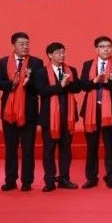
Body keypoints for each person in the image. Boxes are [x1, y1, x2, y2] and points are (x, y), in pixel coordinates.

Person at [0, 31, 44, 192]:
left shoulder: (36, 62)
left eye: (27, 44)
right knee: (11, 147)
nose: (25, 47)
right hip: (9, 111)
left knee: (28, 148)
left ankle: (27, 181)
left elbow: (40, 86)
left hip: (29, 111)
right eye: (21, 44)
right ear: (13, 45)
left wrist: (29, 82)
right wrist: (12, 83)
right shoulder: (3, 62)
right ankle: (10, 180)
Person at [80, 35, 112, 189]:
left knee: (110, 145)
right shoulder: (88, 65)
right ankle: (91, 178)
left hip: (111, 111)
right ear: (96, 49)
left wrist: (107, 81)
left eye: (108, 46)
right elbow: (83, 85)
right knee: (92, 146)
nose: (106, 49)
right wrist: (94, 81)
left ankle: (110, 178)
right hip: (91, 110)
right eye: (102, 47)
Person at [40, 42, 80, 192]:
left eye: (63, 52)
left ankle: (64, 178)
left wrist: (68, 83)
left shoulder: (71, 70)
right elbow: (43, 91)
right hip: (49, 118)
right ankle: (49, 181)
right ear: (50, 55)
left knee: (65, 150)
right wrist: (60, 85)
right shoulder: (41, 72)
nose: (61, 55)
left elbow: (78, 88)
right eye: (58, 53)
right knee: (49, 150)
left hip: (67, 117)